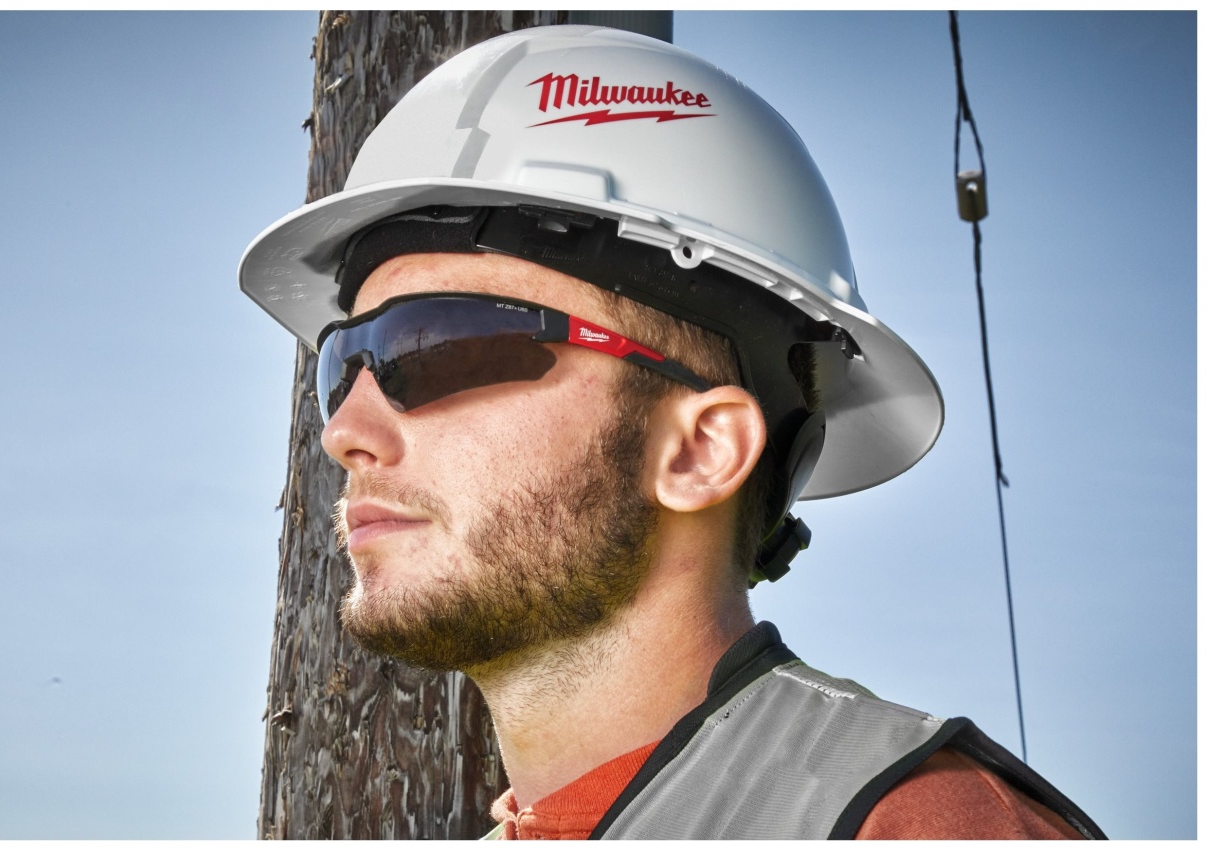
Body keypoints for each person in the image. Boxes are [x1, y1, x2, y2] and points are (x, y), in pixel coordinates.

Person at [240, 25, 1103, 840]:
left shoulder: (917, 826)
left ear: (700, 450)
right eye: (342, 364)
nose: (345, 431)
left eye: (437, 349)